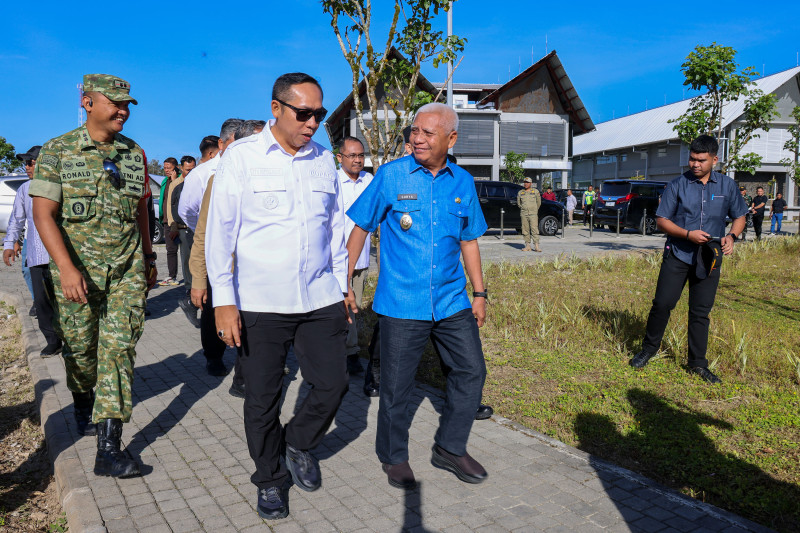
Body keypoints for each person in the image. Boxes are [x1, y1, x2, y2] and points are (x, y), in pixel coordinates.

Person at [207, 73, 349, 520]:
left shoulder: (323, 160)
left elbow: (335, 229)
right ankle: (269, 478)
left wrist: (342, 286)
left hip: (320, 297)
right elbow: (220, 233)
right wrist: (223, 301)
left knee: (334, 383)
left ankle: (299, 442)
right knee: (262, 399)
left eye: (319, 114)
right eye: (303, 113)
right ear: (276, 108)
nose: (312, 123)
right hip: (260, 302)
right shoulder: (242, 157)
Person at [346, 102, 489, 491]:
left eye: (428, 133)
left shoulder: (463, 182)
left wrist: (479, 292)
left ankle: (450, 448)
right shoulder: (391, 176)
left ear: (451, 139)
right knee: (397, 386)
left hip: (452, 300)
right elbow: (360, 227)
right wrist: (344, 281)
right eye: (415, 130)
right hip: (402, 302)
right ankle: (393, 456)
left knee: (471, 371)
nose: (418, 138)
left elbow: (469, 240)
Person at [30, 74, 157, 477]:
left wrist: (148, 257)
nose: (122, 111)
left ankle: (109, 448)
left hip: (125, 270)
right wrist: (66, 268)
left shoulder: (134, 153)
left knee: (118, 351)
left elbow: (141, 209)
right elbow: (43, 214)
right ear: (87, 102)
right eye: (114, 103)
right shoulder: (58, 150)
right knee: (81, 352)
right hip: (77, 273)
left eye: (126, 105)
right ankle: (83, 398)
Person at [629, 135, 747, 384]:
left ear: (714, 159)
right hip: (678, 253)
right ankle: (648, 349)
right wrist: (687, 234)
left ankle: (697, 363)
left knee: (700, 311)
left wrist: (732, 236)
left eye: (701, 160)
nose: (695, 164)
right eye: (692, 159)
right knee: (662, 304)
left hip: (709, 257)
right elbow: (662, 220)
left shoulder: (727, 186)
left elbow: (739, 216)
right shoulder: (677, 185)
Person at [183, 118, 245, 378]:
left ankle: (246, 365)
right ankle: (214, 355)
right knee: (212, 309)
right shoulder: (205, 175)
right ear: (222, 144)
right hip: (213, 251)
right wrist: (212, 236)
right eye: (236, 143)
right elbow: (188, 212)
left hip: (245, 259)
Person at [3, 145, 62, 356]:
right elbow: (16, 219)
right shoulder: (24, 190)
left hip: (60, 255)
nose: (27, 167)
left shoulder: (61, 187)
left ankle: (73, 340)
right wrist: (9, 244)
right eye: (26, 163)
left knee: (64, 299)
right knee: (41, 301)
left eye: (31, 162)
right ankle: (53, 340)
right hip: (37, 253)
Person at [337, 136, 374, 376]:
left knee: (354, 307)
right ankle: (341, 353)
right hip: (335, 259)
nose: (357, 160)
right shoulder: (332, 182)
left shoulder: (369, 181)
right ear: (340, 157)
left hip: (360, 260)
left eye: (361, 155)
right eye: (352, 155)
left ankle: (350, 352)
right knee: (337, 307)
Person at [158, 157, 180, 285]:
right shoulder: (164, 182)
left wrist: (175, 180)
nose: (166, 170)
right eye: (165, 168)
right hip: (166, 220)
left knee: (186, 251)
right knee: (170, 250)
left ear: (176, 168)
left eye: (169, 168)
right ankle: (172, 276)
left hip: (178, 221)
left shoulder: (181, 180)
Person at [518, 177, 541, 252]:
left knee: (534, 229)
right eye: (525, 182)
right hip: (524, 214)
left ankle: (536, 246)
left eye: (527, 182)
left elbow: (538, 203)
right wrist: (524, 208)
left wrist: (534, 209)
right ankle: (527, 246)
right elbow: (519, 203)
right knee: (525, 229)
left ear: (531, 183)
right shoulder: (520, 192)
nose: (526, 184)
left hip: (533, 214)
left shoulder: (535, 191)